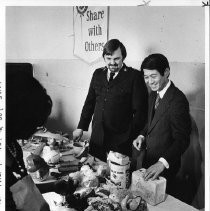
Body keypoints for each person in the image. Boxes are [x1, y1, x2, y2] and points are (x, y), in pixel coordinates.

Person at [6, 73, 76, 211]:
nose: (37, 130)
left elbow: (21, 189)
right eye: (34, 123)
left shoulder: (12, 146)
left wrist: (52, 186)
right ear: (16, 118)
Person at [73, 39, 148, 161]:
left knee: (117, 177)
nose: (112, 62)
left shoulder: (134, 77)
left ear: (123, 57)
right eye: (108, 58)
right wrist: (81, 126)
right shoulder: (97, 74)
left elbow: (140, 111)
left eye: (116, 59)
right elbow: (89, 103)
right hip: (97, 136)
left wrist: (131, 136)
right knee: (94, 172)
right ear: (104, 58)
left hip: (121, 141)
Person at [133, 53, 191, 197]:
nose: (149, 82)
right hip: (149, 161)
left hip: (165, 168)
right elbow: (151, 122)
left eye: (153, 76)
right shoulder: (153, 94)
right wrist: (142, 135)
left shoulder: (178, 100)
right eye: (146, 77)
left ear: (166, 72)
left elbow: (182, 139)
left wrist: (161, 163)